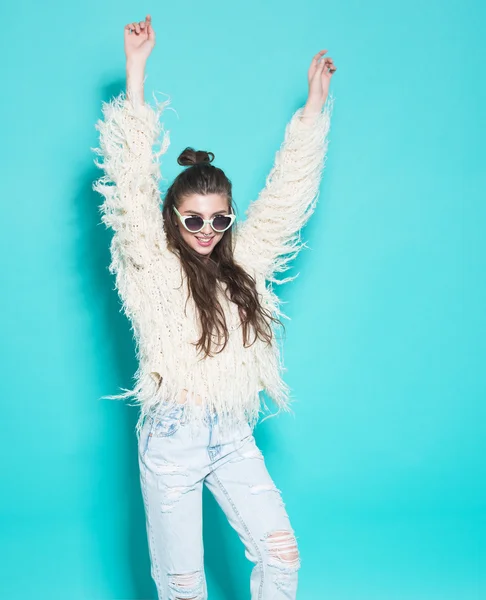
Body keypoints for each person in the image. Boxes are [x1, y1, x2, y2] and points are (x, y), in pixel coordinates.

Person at [92, 13, 336, 600]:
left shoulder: (242, 263)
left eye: (219, 218)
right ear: (174, 218)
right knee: (185, 588)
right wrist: (136, 70)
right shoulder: (150, 262)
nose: (207, 229)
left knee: (282, 556)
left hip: (231, 429)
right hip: (171, 436)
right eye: (194, 218)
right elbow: (128, 182)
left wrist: (313, 111)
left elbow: (285, 198)